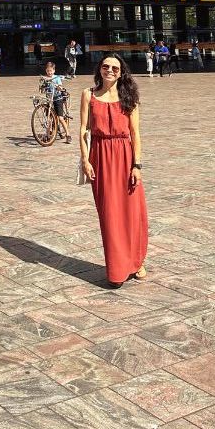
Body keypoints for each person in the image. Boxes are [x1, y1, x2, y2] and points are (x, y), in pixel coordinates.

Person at [79, 53, 148, 287]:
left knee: (132, 212)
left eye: (115, 68)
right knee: (109, 215)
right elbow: (82, 130)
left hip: (125, 156)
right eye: (106, 66)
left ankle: (135, 261)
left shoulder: (129, 98)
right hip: (100, 157)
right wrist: (85, 161)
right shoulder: (88, 95)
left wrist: (137, 165)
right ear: (99, 69)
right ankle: (117, 269)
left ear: (122, 72)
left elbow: (136, 134)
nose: (110, 70)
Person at [40, 60, 71, 138]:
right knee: (49, 119)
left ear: (54, 70)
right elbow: (42, 90)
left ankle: (68, 134)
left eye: (50, 71)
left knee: (60, 118)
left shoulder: (57, 78)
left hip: (57, 99)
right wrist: (42, 86)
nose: (49, 72)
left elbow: (60, 87)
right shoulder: (46, 79)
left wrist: (58, 87)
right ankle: (47, 134)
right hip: (49, 100)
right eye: (47, 71)